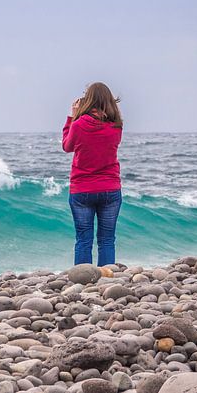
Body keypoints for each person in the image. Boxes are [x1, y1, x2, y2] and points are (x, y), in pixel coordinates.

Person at [62, 82, 123, 266]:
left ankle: (83, 280)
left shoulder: (79, 124)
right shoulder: (116, 126)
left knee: (83, 240)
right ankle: (107, 280)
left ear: (87, 100)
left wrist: (71, 117)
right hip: (110, 188)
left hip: (82, 190)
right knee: (107, 240)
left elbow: (67, 146)